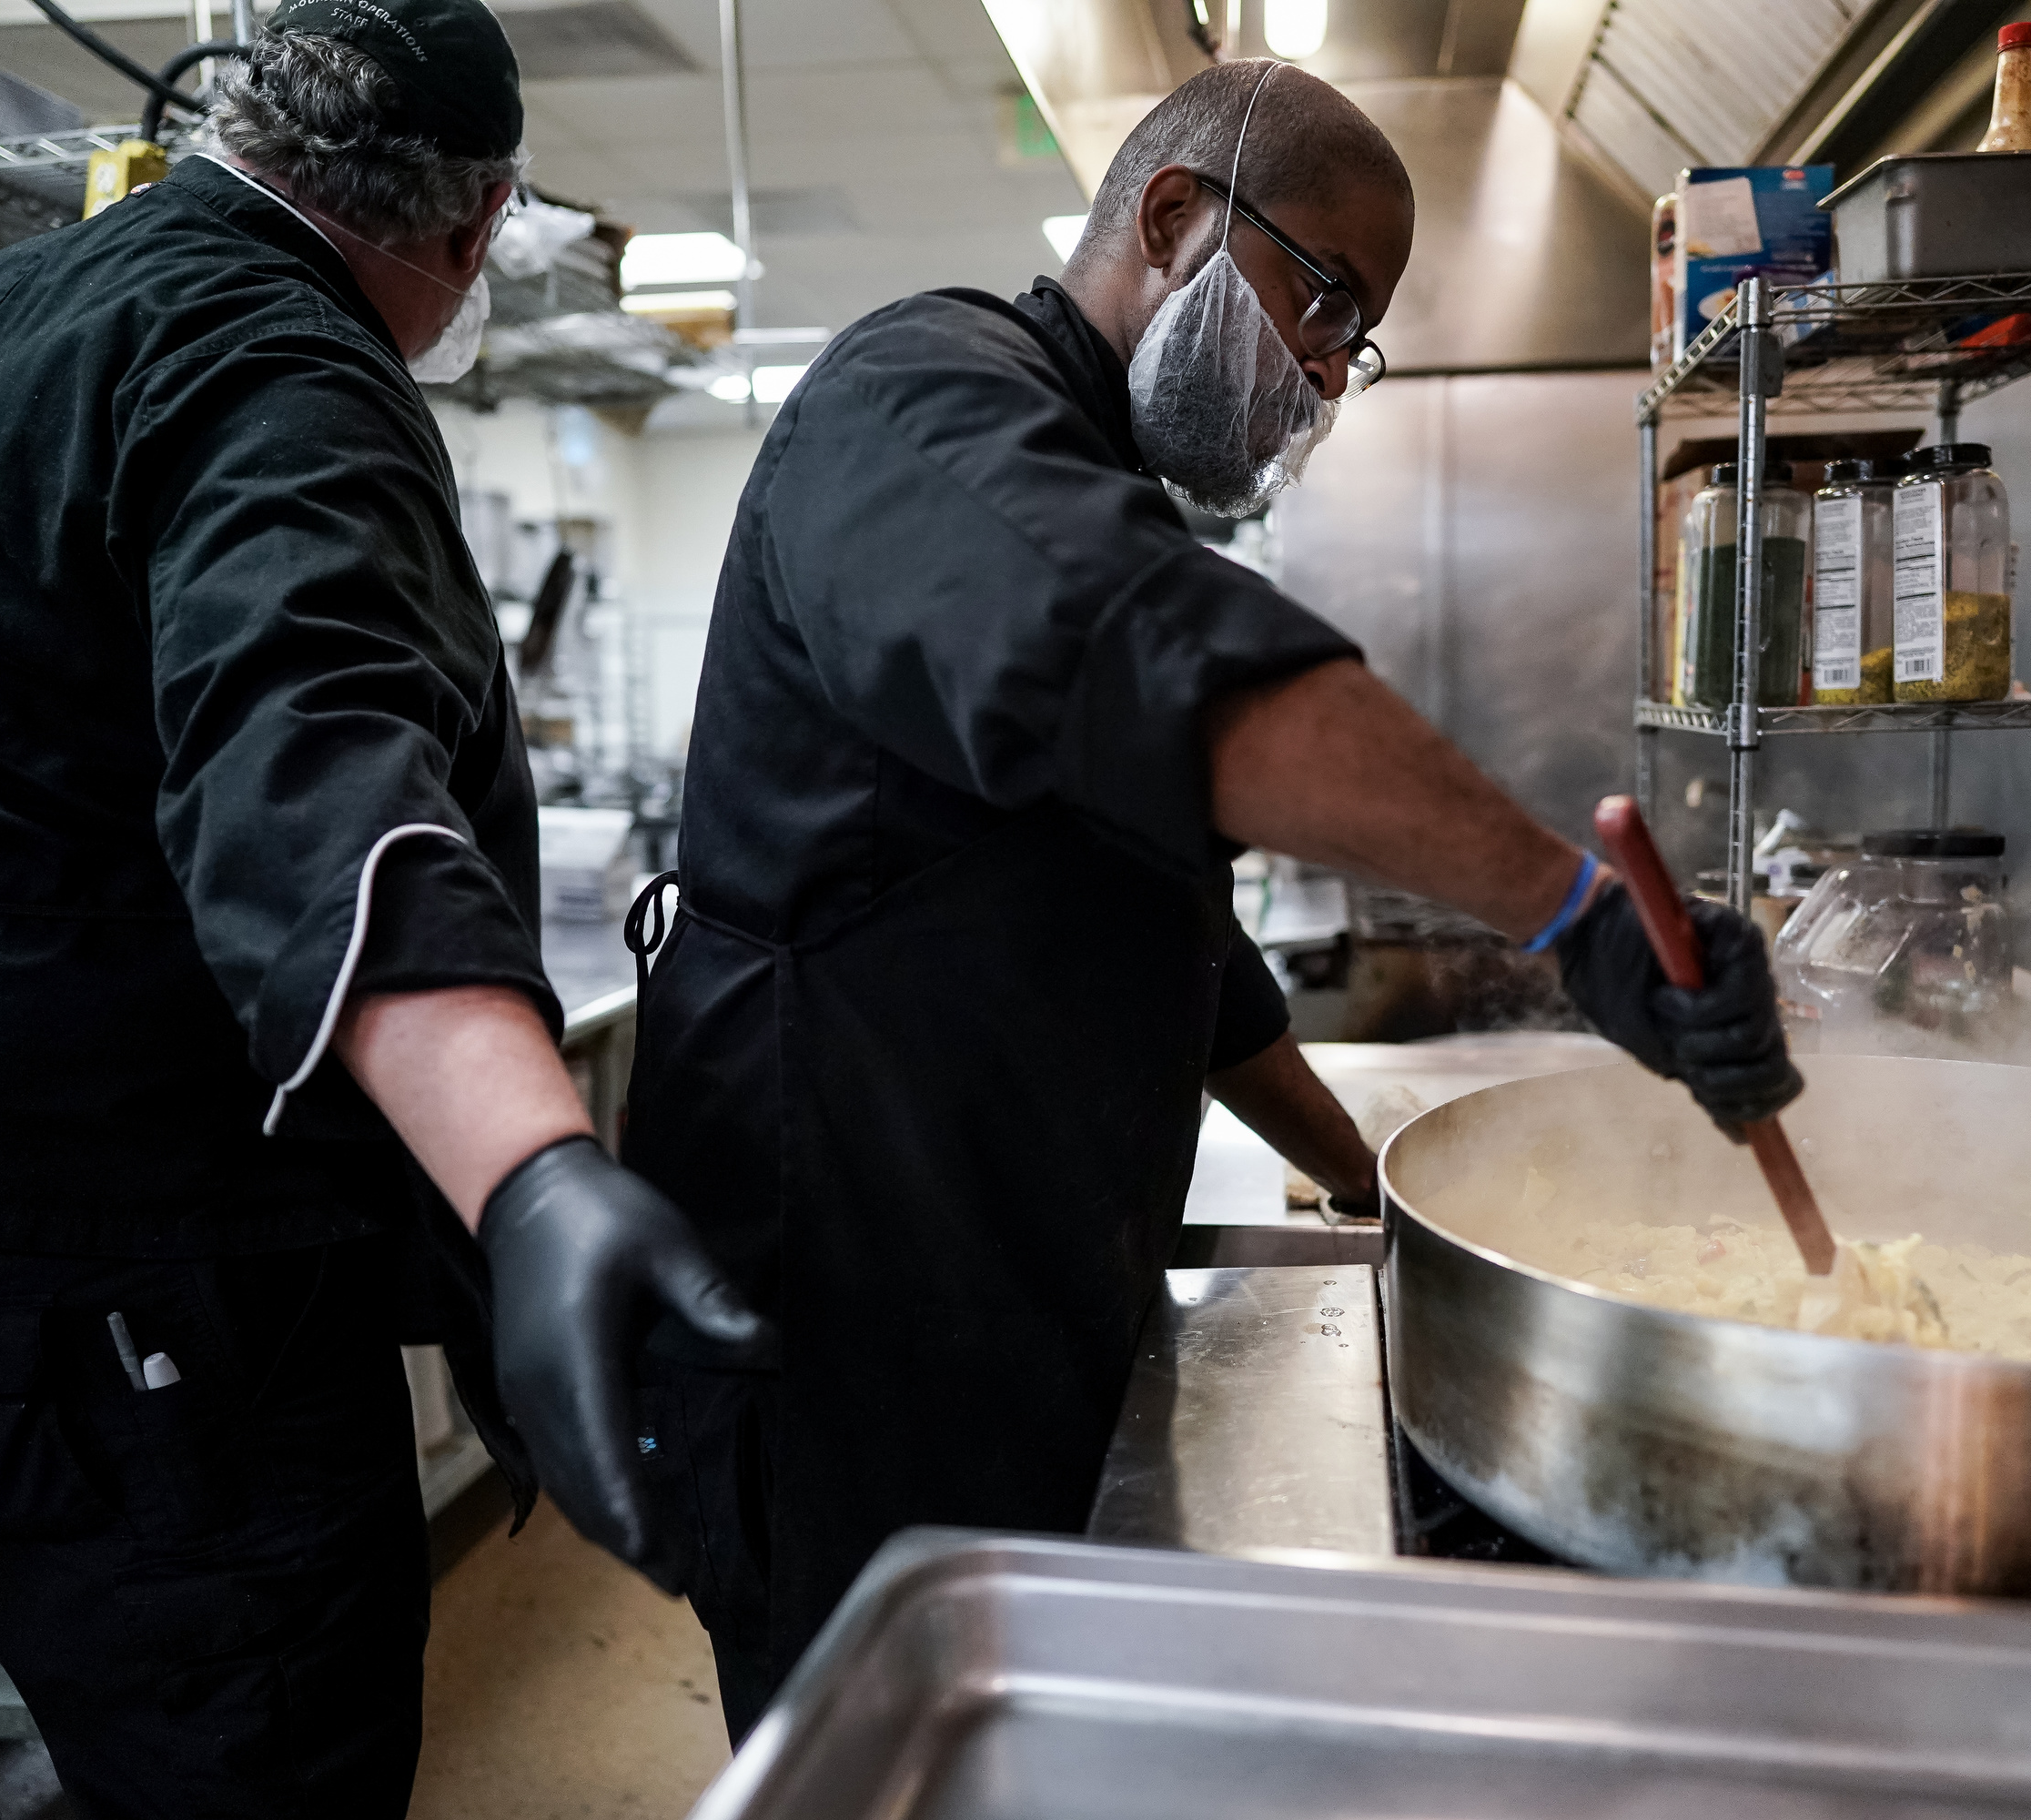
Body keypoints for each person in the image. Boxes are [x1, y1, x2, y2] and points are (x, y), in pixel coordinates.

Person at [621, 58, 1800, 1738]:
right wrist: (1580, 918)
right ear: (1172, 216)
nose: (1324, 374)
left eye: (1354, 345)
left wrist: (1378, 1191)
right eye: (1321, 302)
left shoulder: (1099, 474)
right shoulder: (919, 399)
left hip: (1020, 1298)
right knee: (883, 1759)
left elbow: (1175, 945)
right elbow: (1151, 665)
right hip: (849, 1322)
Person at [0, 3, 761, 1811]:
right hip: (117, 1241)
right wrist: (533, 1173)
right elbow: (308, 765)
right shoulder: (282, 368)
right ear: (475, 233)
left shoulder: (9, 310)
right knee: (267, 1749)